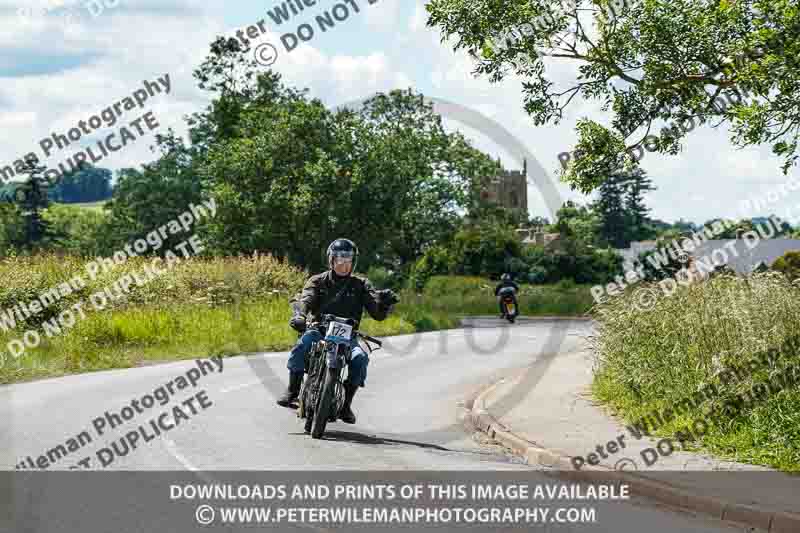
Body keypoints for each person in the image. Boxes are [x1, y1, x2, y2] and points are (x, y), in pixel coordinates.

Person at [278, 238, 399, 424]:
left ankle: (346, 405)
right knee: (302, 344)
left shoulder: (361, 285)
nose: (344, 264)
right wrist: (300, 316)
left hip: (348, 336)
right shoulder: (317, 281)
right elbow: (306, 299)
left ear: (353, 262)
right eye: (340, 260)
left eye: (348, 260)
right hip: (319, 330)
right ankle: (292, 391)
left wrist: (384, 304)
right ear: (331, 260)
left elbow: (376, 313)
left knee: (360, 358)